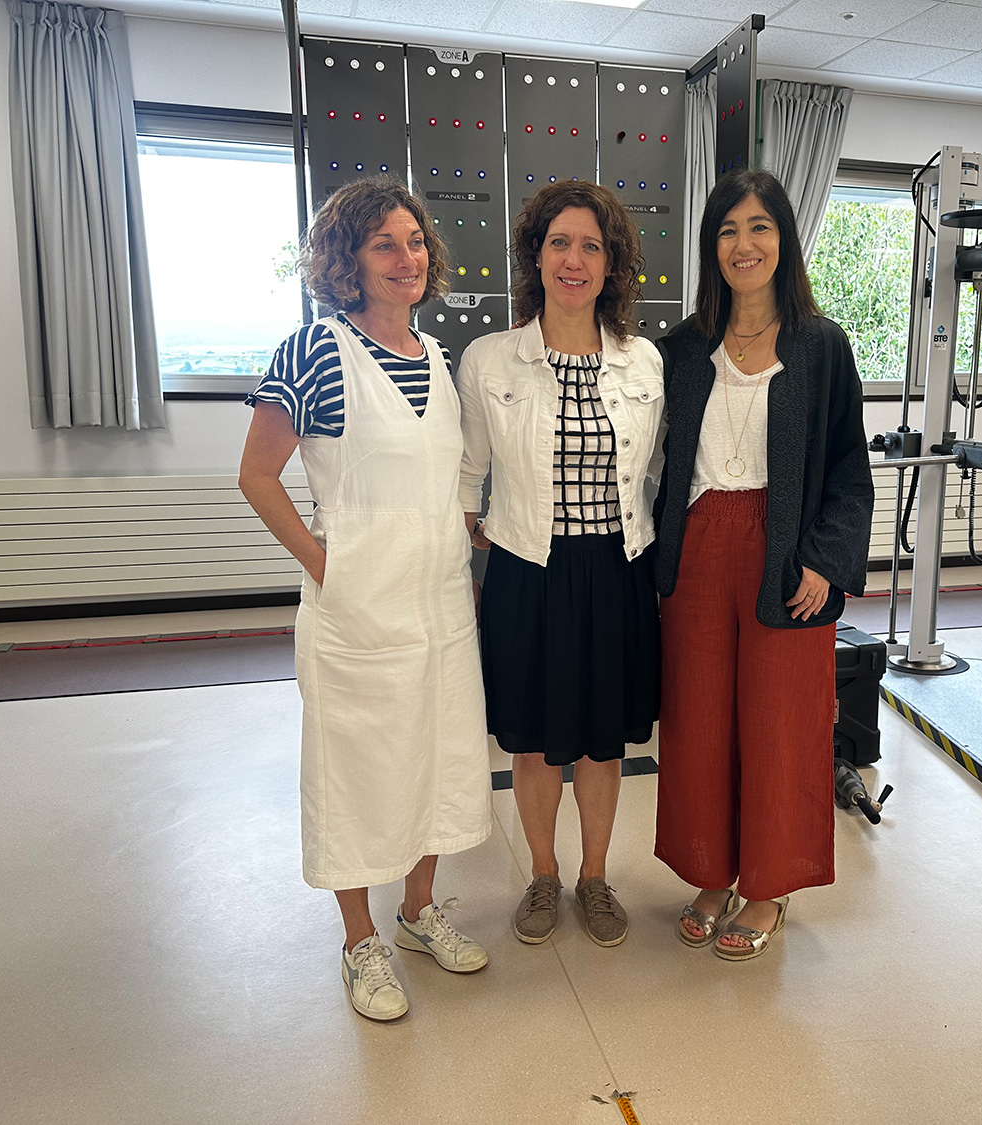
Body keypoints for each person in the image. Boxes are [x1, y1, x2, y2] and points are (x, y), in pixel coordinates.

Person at [239, 177, 492, 1021]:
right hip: (356, 605)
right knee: (355, 770)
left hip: (439, 604)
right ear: (346, 259)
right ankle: (359, 941)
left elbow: (444, 480)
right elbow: (257, 475)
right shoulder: (315, 350)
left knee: (436, 757)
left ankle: (418, 912)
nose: (406, 257)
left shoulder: (439, 358)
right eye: (384, 243)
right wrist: (328, 566)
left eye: (415, 241)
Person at [652, 168, 874, 961]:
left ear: (784, 238)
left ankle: (769, 884)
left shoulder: (821, 345)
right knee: (699, 719)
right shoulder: (681, 348)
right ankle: (711, 871)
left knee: (783, 723)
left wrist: (827, 560)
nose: (743, 245)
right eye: (727, 230)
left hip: (787, 553)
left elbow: (849, 465)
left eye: (759, 227)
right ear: (710, 246)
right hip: (696, 546)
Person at [458, 181, 664, 948]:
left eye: (591, 246)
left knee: (602, 741)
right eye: (559, 243)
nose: (574, 260)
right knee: (536, 739)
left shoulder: (644, 362)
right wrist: (468, 548)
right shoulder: (489, 359)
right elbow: (466, 472)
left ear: (611, 264)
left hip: (616, 568)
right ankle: (543, 874)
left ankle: (594, 877)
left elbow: (664, 468)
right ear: (535, 256)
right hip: (527, 570)